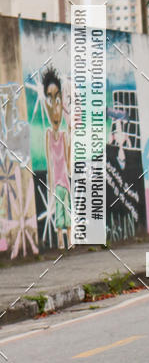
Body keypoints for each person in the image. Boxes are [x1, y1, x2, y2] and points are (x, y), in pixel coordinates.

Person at [43, 66, 71, 249]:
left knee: (66, 211)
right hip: (56, 183)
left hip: (65, 183)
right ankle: (61, 240)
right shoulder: (47, 135)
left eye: (58, 100)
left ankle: (69, 239)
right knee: (60, 213)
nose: (55, 108)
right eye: (49, 100)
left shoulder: (64, 136)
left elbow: (68, 163)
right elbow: (49, 163)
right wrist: (51, 186)